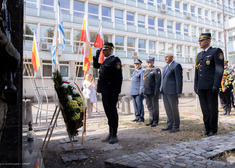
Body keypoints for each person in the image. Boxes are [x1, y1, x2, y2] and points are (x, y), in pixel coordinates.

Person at [194, 33, 224, 137]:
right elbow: (197, 71)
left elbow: (219, 70)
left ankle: (213, 129)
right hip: (201, 86)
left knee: (212, 108)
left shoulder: (216, 52)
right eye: (199, 40)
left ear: (208, 40)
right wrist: (195, 85)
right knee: (204, 109)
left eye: (202, 40)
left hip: (211, 86)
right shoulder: (199, 55)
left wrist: (216, 85)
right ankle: (207, 129)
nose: (200, 42)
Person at [93, 42, 123, 144]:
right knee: (107, 112)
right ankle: (110, 133)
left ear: (110, 50)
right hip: (104, 90)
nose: (103, 52)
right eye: (103, 50)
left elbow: (119, 77)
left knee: (112, 112)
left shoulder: (115, 60)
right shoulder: (105, 61)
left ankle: (114, 134)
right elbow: (96, 65)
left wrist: (116, 91)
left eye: (105, 50)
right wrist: (96, 56)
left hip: (111, 91)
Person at [161, 53, 183, 133]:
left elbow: (179, 79)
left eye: (166, 57)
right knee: (168, 109)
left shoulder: (176, 65)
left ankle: (176, 126)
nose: (165, 58)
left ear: (172, 57)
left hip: (172, 91)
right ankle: (169, 125)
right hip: (165, 91)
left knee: (174, 109)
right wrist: (161, 88)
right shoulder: (165, 67)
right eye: (164, 57)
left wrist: (179, 91)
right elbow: (163, 79)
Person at [143, 57, 161, 127]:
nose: (148, 64)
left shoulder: (156, 70)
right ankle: (151, 120)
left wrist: (156, 92)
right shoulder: (146, 71)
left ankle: (155, 121)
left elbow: (158, 82)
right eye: (147, 63)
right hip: (147, 92)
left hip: (153, 92)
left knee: (155, 107)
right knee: (149, 106)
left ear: (153, 62)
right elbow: (144, 82)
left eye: (150, 62)